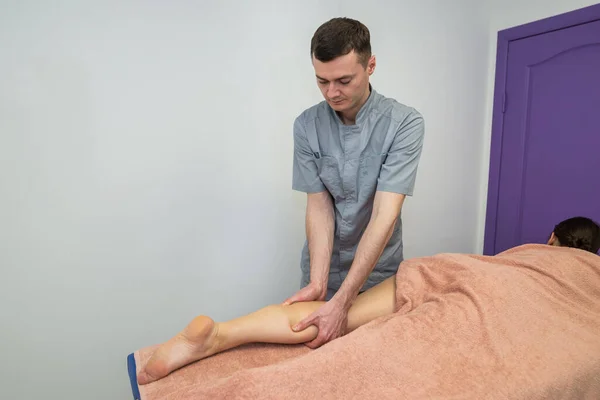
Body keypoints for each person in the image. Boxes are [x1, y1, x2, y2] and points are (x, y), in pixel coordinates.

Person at [136, 216, 600, 385]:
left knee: (343, 314)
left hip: (459, 272)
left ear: (551, 239)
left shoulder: (519, 259)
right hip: (504, 314)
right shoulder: (590, 278)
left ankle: (221, 334)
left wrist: (329, 290)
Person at [282, 17, 426, 349]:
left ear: (370, 65)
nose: (332, 92)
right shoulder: (306, 125)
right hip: (323, 268)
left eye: (344, 80)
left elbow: (384, 216)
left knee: (369, 362)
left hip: (378, 274)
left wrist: (345, 299)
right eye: (322, 81)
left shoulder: (404, 123)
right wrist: (319, 283)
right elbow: (319, 207)